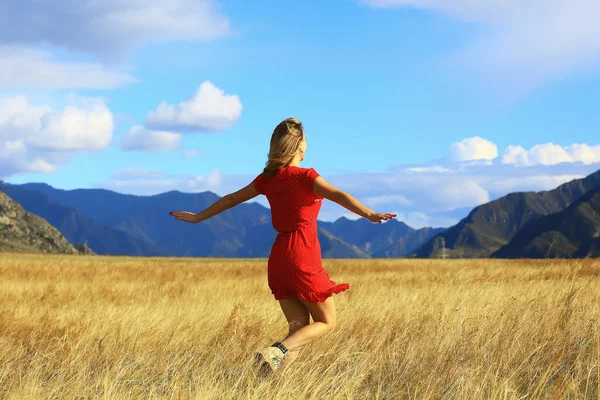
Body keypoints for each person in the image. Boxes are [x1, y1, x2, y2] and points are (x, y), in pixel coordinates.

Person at [169, 117, 396, 374]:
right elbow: (339, 195)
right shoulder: (306, 176)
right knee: (327, 321)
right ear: (299, 145)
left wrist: (199, 217)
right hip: (302, 253)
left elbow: (232, 199)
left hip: (279, 257)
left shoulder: (268, 179)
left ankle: (269, 382)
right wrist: (370, 214)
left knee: (298, 330)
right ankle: (275, 351)